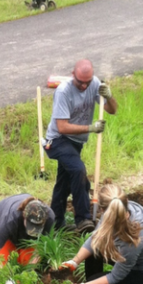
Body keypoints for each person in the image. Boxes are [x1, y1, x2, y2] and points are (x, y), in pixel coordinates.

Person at [45, 59, 118, 232]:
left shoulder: (94, 84)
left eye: (87, 82)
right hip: (57, 140)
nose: (84, 87)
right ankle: (83, 220)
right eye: (80, 82)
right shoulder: (64, 91)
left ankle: (55, 224)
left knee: (64, 183)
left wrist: (109, 96)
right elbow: (62, 127)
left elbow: (112, 110)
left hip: (76, 142)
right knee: (78, 171)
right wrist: (91, 128)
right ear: (72, 75)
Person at [0, 195, 54, 266]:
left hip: (22, 234)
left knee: (26, 262)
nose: (34, 229)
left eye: (37, 226)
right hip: (1, 220)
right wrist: (3, 274)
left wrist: (30, 270)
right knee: (5, 263)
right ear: (24, 216)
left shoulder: (49, 218)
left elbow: (40, 248)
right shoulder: (9, 220)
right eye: (31, 225)